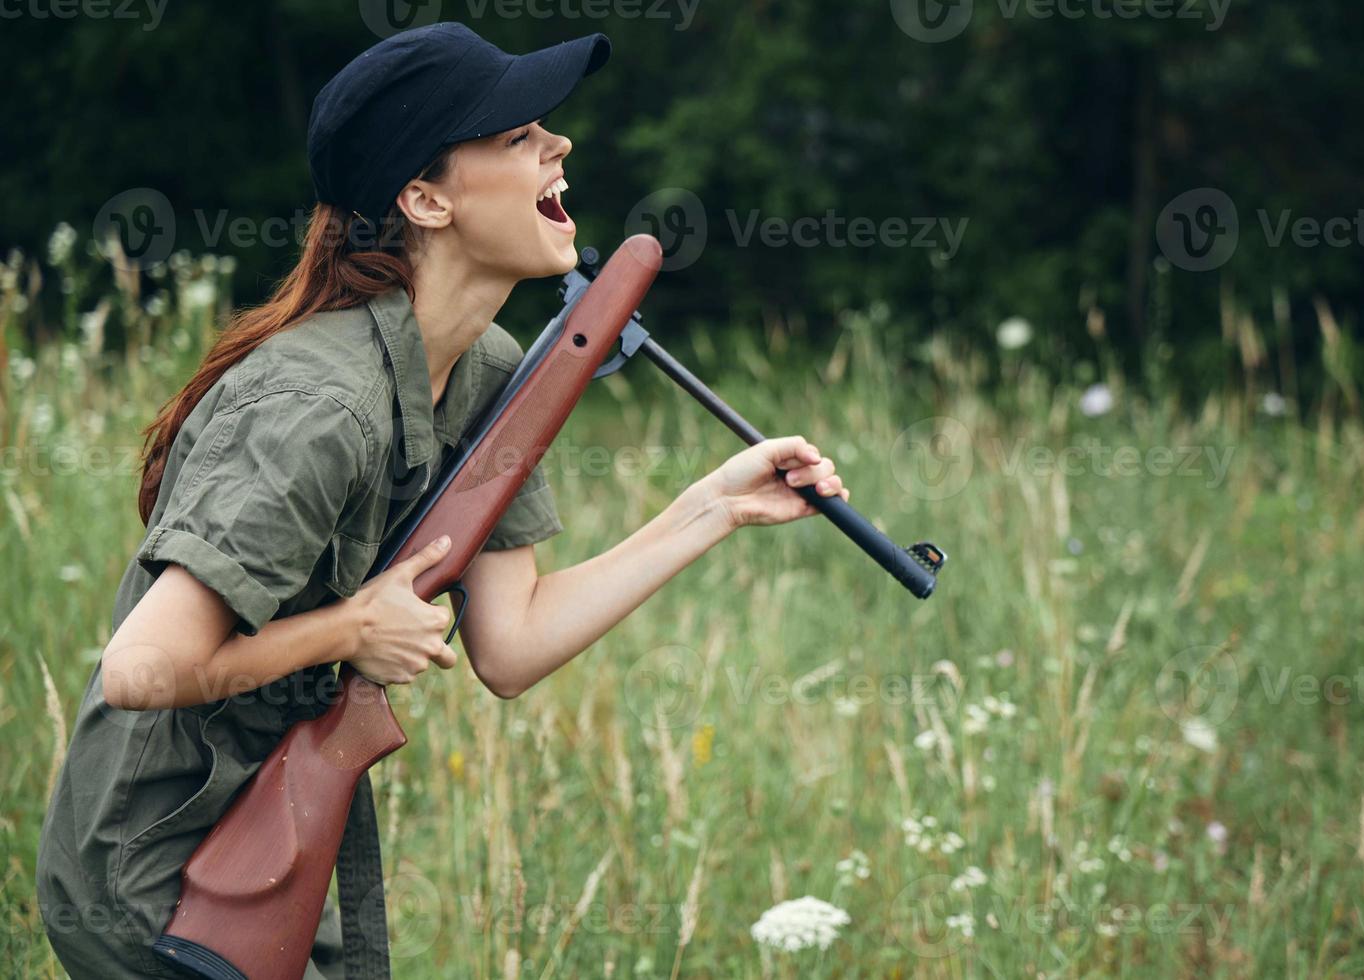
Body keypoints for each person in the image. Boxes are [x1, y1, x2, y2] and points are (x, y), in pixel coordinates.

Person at [36, 22, 847, 979]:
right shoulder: (315, 408)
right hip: (151, 872)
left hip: (262, 850)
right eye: (515, 138)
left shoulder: (485, 369)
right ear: (424, 199)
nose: (560, 146)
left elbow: (511, 645)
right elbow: (141, 670)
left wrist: (712, 508)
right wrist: (350, 631)